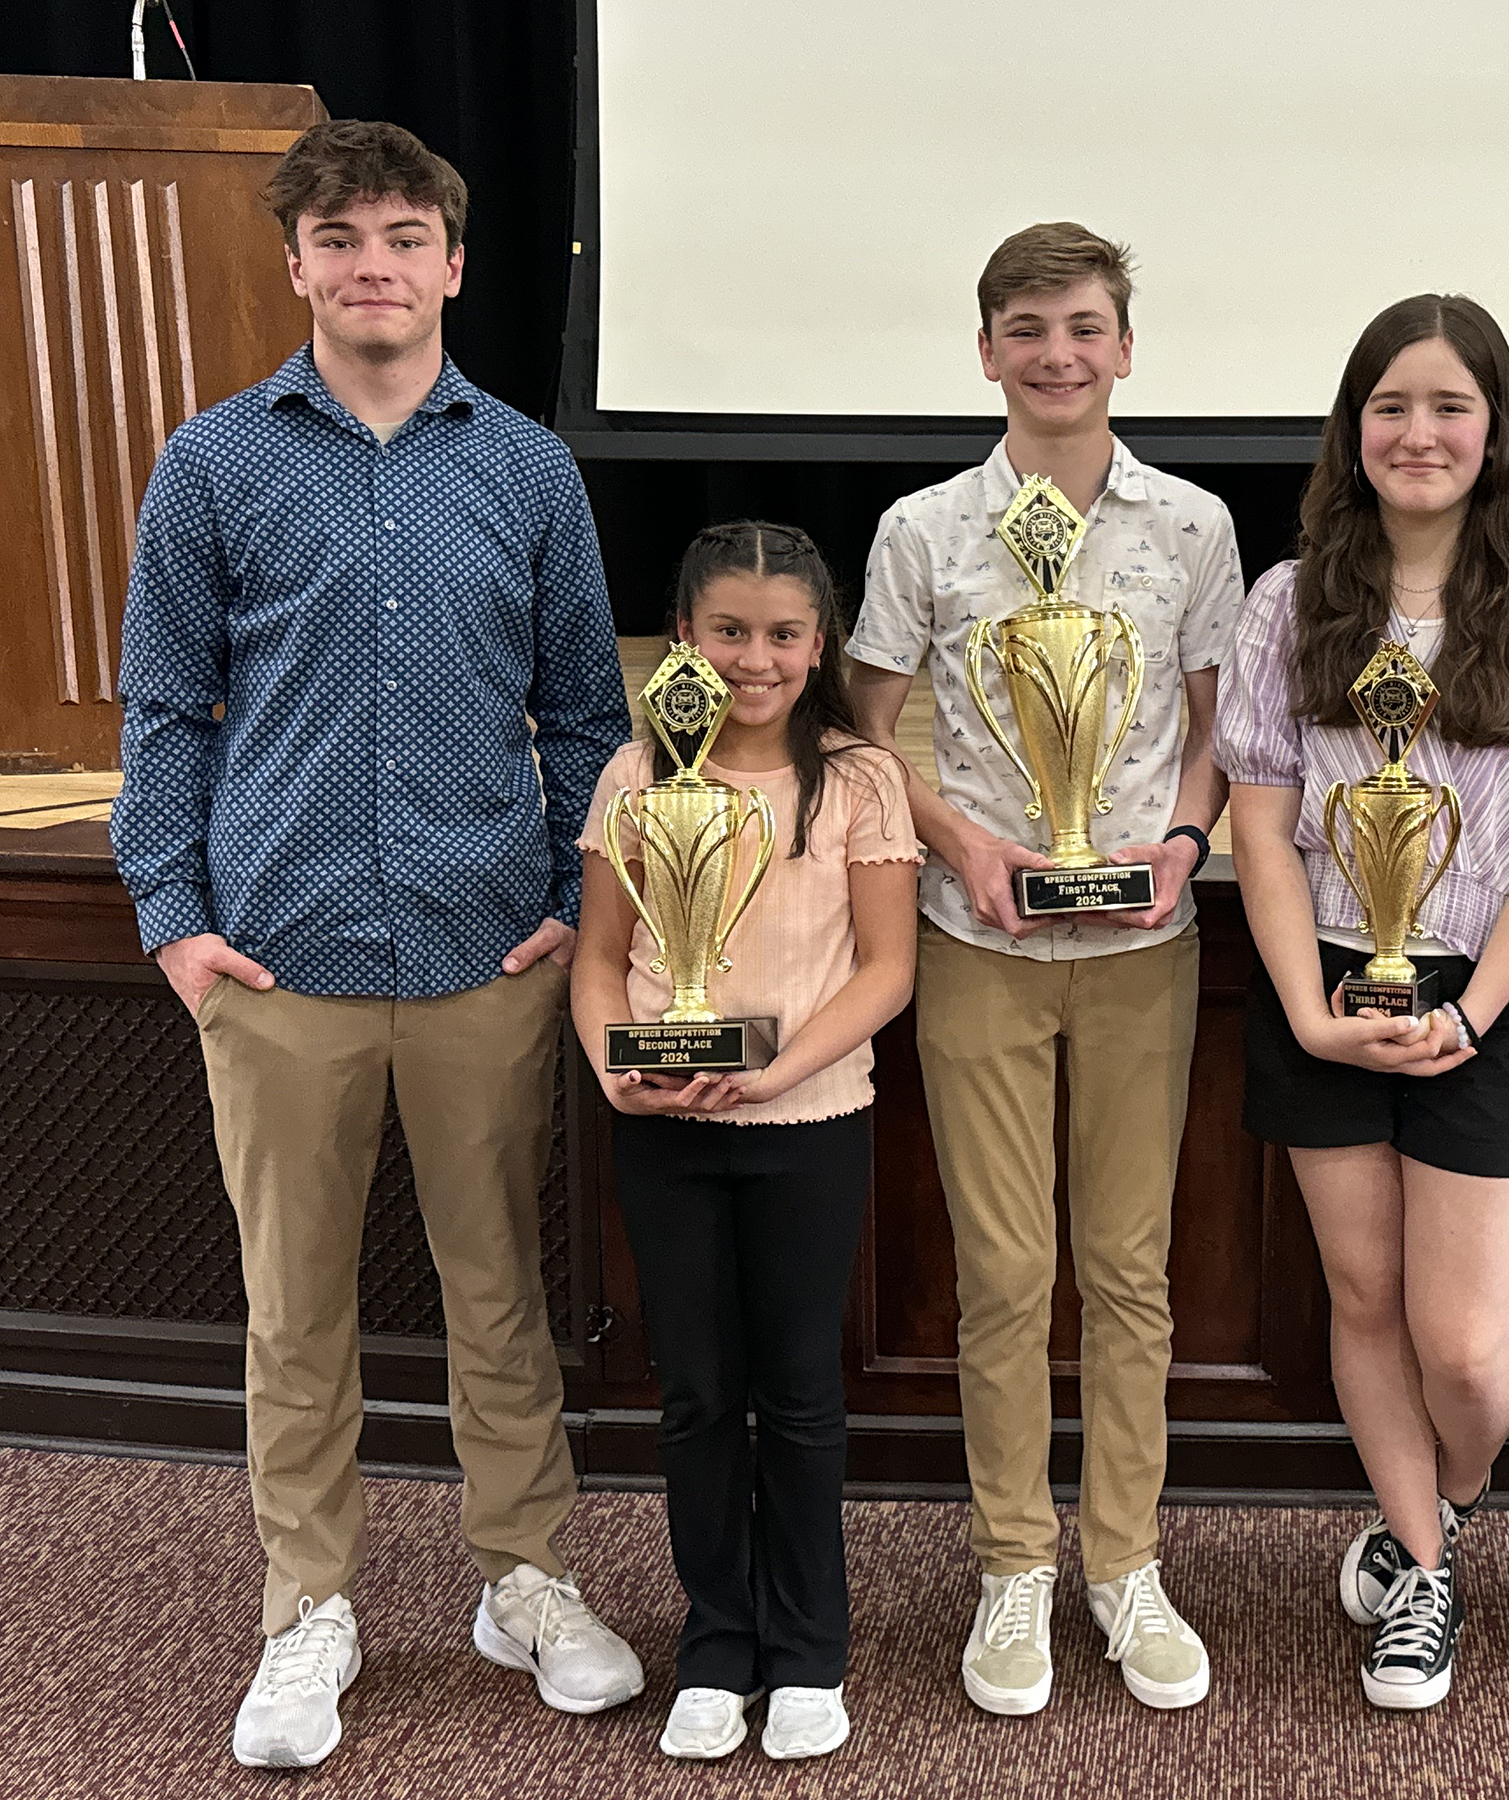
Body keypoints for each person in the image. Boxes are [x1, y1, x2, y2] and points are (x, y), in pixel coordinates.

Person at [110, 120, 642, 1770]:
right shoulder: (212, 464)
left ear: (454, 264)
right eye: (339, 239)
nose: (373, 267)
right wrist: (174, 923)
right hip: (280, 962)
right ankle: (308, 1609)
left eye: (405, 237)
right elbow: (164, 714)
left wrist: (572, 899)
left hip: (487, 956)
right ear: (296, 265)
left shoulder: (529, 471)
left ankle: (524, 1579)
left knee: (502, 1297)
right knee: (295, 1313)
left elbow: (587, 713)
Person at [847, 223, 1242, 1717]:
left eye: (1084, 327)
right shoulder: (923, 530)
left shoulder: (1193, 526)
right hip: (978, 946)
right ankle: (1014, 1559)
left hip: (1144, 945)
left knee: (1131, 1271)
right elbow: (864, 728)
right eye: (1027, 329)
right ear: (986, 351)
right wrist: (958, 841)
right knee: (1007, 1275)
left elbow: (1215, 726)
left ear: (1126, 347)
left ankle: (1124, 1561)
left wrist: (1186, 841)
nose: (1057, 354)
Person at [1218, 294, 1509, 1710]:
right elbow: (1263, 824)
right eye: (1390, 405)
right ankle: (1424, 1572)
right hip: (1324, 981)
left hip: (1487, 993)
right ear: (1353, 429)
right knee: (1362, 1294)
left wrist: (1472, 1012)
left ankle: (1447, 1497)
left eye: (1451, 406)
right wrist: (1306, 1009)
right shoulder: (1286, 604)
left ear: (1496, 431)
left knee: (1460, 1343)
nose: (1419, 432)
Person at [571, 522, 919, 1761]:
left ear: (820, 645)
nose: (754, 659)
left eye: (781, 634)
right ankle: (717, 1647)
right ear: (683, 637)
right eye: (727, 631)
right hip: (665, 1130)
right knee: (697, 1395)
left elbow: (887, 969)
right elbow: (600, 961)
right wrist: (618, 1072)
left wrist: (776, 1068)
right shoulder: (636, 776)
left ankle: (811, 1649)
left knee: (802, 1392)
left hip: (809, 1123)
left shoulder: (859, 779)